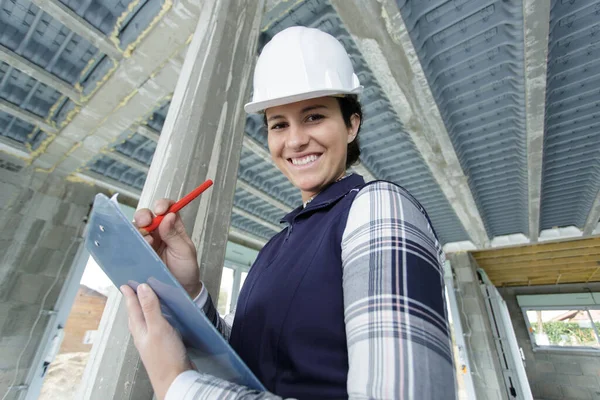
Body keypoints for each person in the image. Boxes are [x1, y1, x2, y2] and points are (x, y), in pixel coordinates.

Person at [121, 26, 456, 400]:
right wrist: (189, 290)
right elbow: (250, 362)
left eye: (313, 116)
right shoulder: (278, 244)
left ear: (351, 125)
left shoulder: (379, 208)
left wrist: (178, 385)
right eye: (279, 124)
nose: (295, 139)